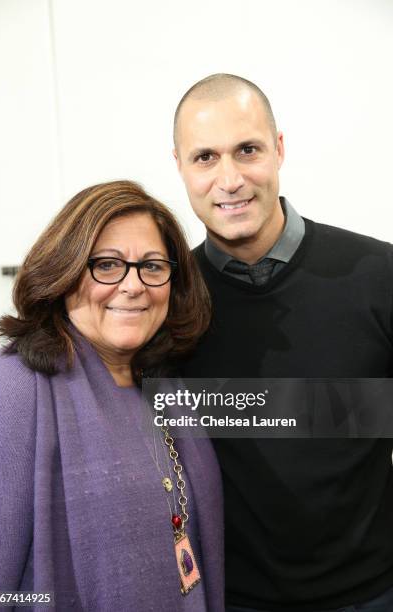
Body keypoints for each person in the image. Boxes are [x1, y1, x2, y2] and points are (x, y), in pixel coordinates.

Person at [173, 73, 393, 611]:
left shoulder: (380, 276)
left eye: (246, 150)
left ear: (278, 150)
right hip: (229, 600)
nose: (229, 179)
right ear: (179, 166)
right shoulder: (164, 304)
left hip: (375, 595)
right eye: (205, 157)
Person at [0, 180, 224, 612]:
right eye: (108, 265)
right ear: (65, 270)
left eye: (152, 266)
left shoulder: (166, 386)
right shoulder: (12, 389)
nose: (133, 286)